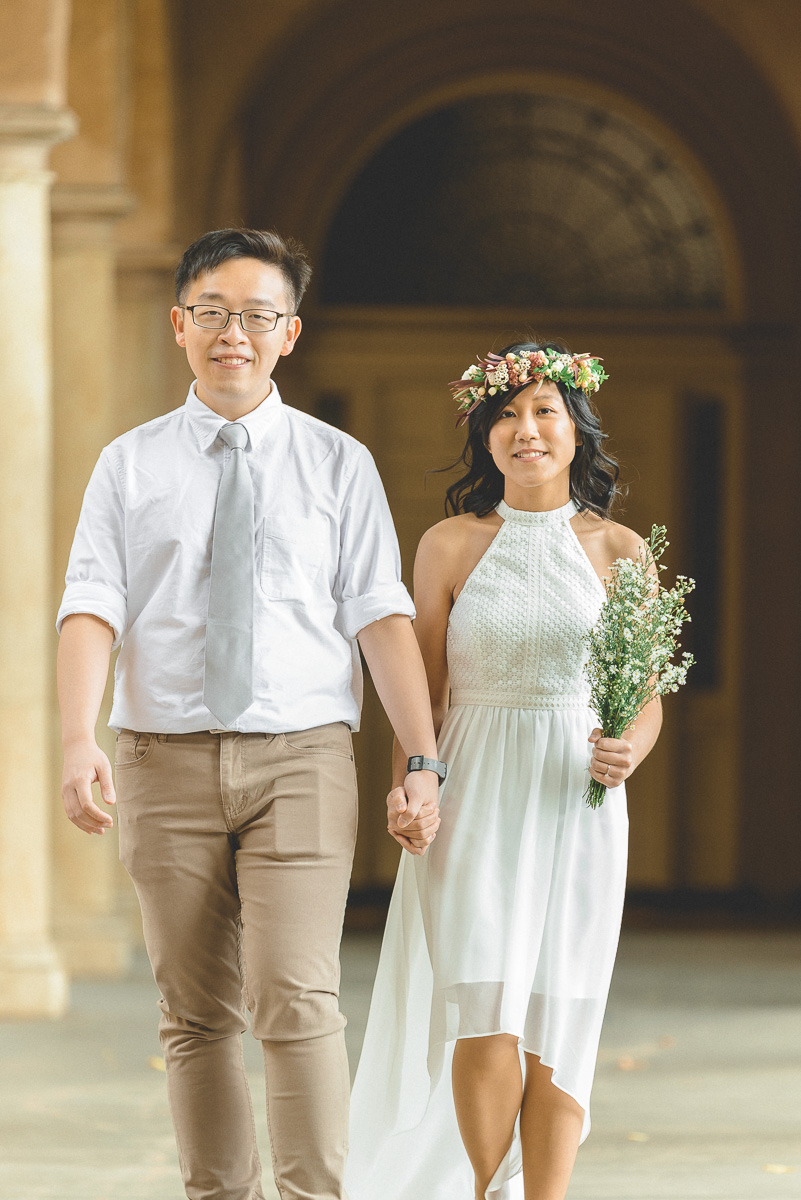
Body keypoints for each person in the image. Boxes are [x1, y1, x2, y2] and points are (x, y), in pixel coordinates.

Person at [56, 227, 442, 1200]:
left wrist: (422, 760)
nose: (236, 332)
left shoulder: (338, 465)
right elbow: (91, 608)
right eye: (216, 313)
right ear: (180, 325)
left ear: (290, 333)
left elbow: (381, 617)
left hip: (302, 756)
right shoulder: (129, 466)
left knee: (296, 994)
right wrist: (76, 739)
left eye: (258, 315)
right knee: (194, 1012)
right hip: (161, 757)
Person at [347, 342, 664, 1200]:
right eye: (505, 416)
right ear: (484, 438)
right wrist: (414, 785)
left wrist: (629, 745)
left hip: (577, 797)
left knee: (560, 1006)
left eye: (544, 412)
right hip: (475, 786)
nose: (525, 430)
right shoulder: (448, 544)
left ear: (575, 431)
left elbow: (645, 694)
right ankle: (486, 1190)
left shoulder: (622, 550)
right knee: (483, 999)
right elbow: (423, 693)